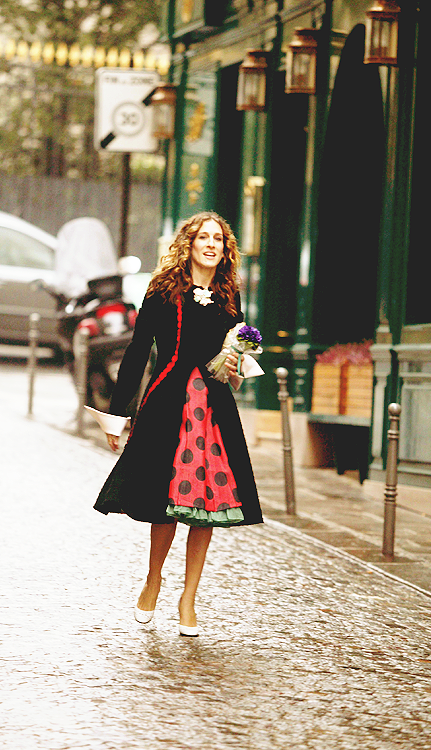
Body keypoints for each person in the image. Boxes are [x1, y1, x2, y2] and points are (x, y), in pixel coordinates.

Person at [94, 212, 263, 636]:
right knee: (164, 498)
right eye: (203, 237)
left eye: (218, 239)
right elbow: (137, 353)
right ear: (189, 243)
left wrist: (237, 364)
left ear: (225, 250)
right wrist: (117, 416)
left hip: (213, 411)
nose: (211, 244)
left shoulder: (229, 294)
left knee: (208, 503)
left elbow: (233, 359)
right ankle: (153, 579)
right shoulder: (163, 289)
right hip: (167, 404)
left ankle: (189, 598)